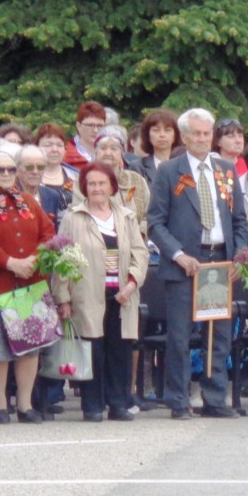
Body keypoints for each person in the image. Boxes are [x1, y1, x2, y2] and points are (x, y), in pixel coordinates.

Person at [147, 107, 248, 419]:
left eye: (207, 133)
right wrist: (178, 254)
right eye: (197, 134)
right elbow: (155, 223)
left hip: (220, 262)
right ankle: (178, 400)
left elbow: (240, 221)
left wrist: (239, 257)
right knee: (179, 336)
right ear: (185, 136)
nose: (203, 139)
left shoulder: (226, 171)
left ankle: (215, 399)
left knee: (218, 334)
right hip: (185, 265)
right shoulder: (169, 171)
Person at [0, 143, 55, 424]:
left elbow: (48, 234)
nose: (5, 174)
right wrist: (9, 262)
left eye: (10, 169)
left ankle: (25, 405)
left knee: (29, 348)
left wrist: (33, 260)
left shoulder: (28, 201)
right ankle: (0, 404)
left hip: (30, 283)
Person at [53, 163, 149, 422]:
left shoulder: (126, 216)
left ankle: (118, 405)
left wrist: (131, 283)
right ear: (84, 187)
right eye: (92, 184)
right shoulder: (74, 217)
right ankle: (92, 406)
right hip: (86, 295)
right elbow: (63, 258)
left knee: (120, 351)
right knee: (92, 351)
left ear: (111, 187)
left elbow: (141, 253)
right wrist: (63, 298)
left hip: (122, 294)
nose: (97, 188)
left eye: (102, 183)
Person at [94, 126, 150, 236]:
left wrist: (134, 235)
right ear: (96, 151)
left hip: (137, 244)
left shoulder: (136, 180)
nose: (108, 153)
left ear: (122, 153)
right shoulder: (84, 181)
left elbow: (149, 215)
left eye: (114, 149)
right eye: (103, 148)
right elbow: (81, 218)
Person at [35, 123, 77, 207]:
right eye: (48, 145)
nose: (54, 149)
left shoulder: (76, 176)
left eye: (59, 145)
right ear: (36, 147)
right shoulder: (26, 176)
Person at [138, 108, 182, 184]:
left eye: (167, 130)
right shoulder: (138, 167)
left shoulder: (184, 165)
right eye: (156, 130)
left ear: (175, 135)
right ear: (148, 135)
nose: (162, 135)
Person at [63, 101, 108, 172]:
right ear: (78, 126)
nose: (95, 130)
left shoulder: (112, 153)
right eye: (90, 125)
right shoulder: (65, 154)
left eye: (100, 126)